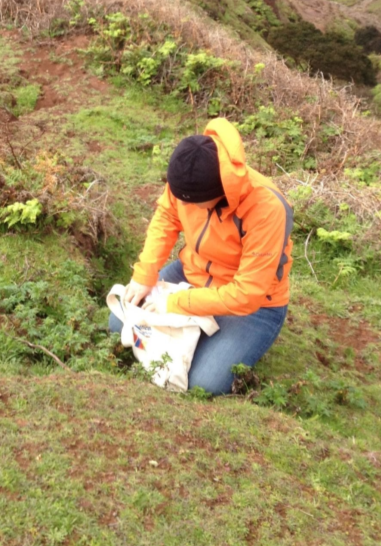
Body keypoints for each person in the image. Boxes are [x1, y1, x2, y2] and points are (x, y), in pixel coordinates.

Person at [111, 117, 293, 395]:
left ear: (216, 194)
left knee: (203, 383)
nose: (183, 204)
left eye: (191, 202)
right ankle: (196, 334)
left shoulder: (266, 208)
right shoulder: (187, 173)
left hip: (254, 306)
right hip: (190, 274)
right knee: (117, 321)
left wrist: (176, 304)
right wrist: (145, 275)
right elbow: (166, 217)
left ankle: (218, 341)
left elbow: (247, 294)